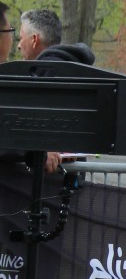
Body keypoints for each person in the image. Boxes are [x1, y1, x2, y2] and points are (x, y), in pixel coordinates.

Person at [18, 9, 95, 173]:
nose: (18, 45)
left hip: (49, 176)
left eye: (20, 38)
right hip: (74, 172)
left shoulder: (43, 73)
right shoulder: (79, 69)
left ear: (34, 40)